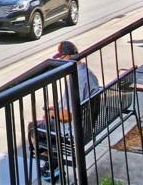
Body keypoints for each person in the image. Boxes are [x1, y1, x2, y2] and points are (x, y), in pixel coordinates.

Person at [28, 41, 100, 181]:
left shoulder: (76, 78)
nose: (59, 62)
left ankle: (52, 165)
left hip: (73, 129)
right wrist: (55, 110)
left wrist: (53, 113)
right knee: (46, 120)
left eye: (60, 58)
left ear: (67, 57)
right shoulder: (86, 72)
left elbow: (68, 115)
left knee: (33, 127)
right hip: (86, 123)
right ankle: (53, 162)